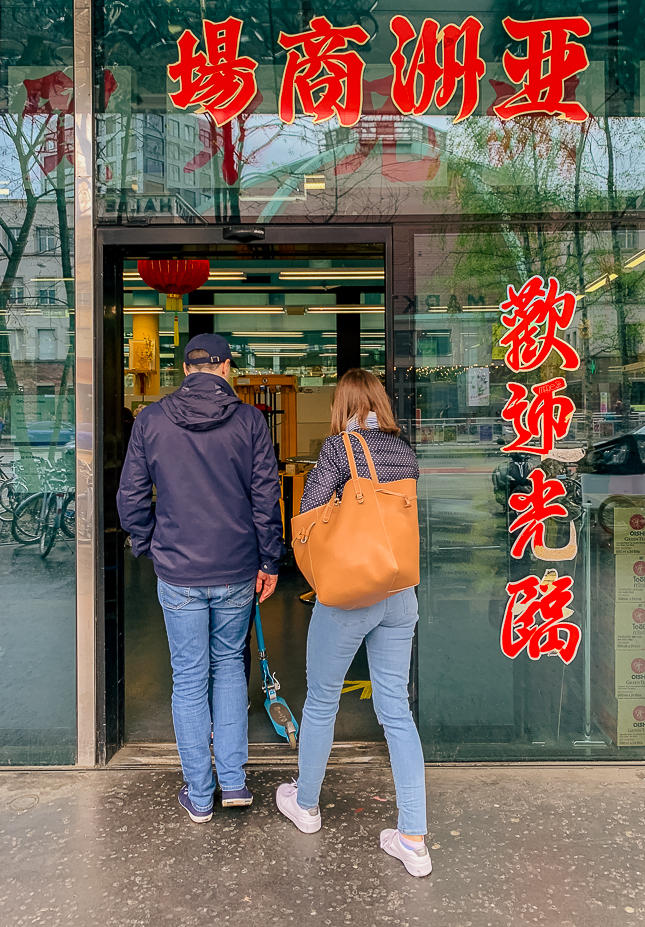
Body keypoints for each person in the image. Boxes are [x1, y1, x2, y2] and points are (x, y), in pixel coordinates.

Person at [117, 333, 283, 823]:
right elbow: (265, 499)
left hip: (178, 570)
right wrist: (269, 560)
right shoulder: (251, 421)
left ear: (186, 370)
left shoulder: (150, 420)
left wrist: (149, 545)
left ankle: (199, 793)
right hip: (235, 569)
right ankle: (233, 783)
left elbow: (130, 498)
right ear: (226, 369)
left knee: (189, 678)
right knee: (229, 668)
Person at [275, 368, 431, 877]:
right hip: (400, 592)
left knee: (321, 700)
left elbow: (309, 509)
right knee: (396, 712)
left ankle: (307, 805)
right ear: (379, 402)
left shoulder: (342, 449)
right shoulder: (402, 449)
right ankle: (412, 838)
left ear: (343, 404)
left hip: (350, 596)